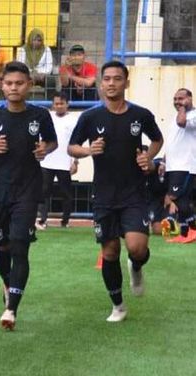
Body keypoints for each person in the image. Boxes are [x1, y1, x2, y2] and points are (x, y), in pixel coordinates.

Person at [68, 60, 163, 322]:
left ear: (126, 83)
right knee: (109, 252)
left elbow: (157, 139)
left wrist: (149, 158)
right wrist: (88, 151)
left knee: (137, 248)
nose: (111, 83)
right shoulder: (90, 117)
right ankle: (118, 305)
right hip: (103, 195)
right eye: (107, 79)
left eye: (117, 79)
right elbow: (72, 147)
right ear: (101, 83)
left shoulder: (140, 115)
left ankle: (136, 266)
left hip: (133, 194)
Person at [0, 61, 58, 330]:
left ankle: (11, 309)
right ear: (2, 85)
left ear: (29, 86)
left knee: (19, 245)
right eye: (9, 83)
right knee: (1, 248)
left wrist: (44, 150)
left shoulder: (40, 116)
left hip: (28, 189)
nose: (14, 88)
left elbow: (52, 141)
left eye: (19, 83)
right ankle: (7, 282)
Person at [37, 92, 78, 229]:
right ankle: (42, 219)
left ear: (67, 104)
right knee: (43, 191)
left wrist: (75, 161)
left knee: (66, 193)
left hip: (64, 162)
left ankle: (65, 221)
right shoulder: (46, 118)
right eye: (56, 104)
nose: (59, 106)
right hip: (47, 161)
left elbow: (76, 142)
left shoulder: (73, 120)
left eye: (61, 103)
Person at [161, 88, 196, 242]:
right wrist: (164, 161)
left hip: (186, 165)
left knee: (178, 199)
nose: (177, 102)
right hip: (173, 166)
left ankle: (193, 230)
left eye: (181, 99)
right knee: (177, 200)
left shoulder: (191, 115)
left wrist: (182, 108)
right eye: (175, 99)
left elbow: (182, 123)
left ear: (190, 98)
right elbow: (173, 142)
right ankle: (183, 234)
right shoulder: (176, 117)